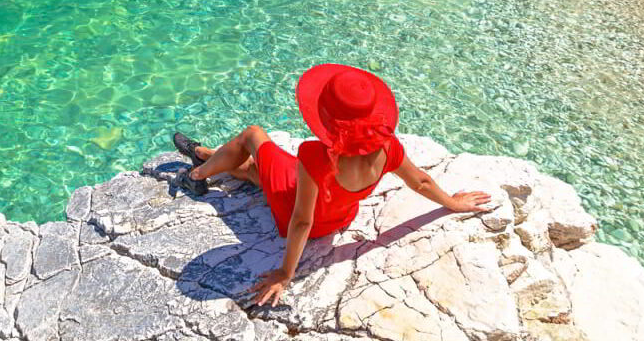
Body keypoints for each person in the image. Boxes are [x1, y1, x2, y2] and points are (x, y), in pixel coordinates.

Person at [172, 64, 491, 308]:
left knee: (253, 134)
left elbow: (301, 221)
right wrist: (454, 203)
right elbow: (420, 181)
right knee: (255, 171)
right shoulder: (388, 148)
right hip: (338, 218)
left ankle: (197, 175)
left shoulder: (315, 155)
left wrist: (286, 273)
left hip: (296, 211)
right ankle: (206, 154)